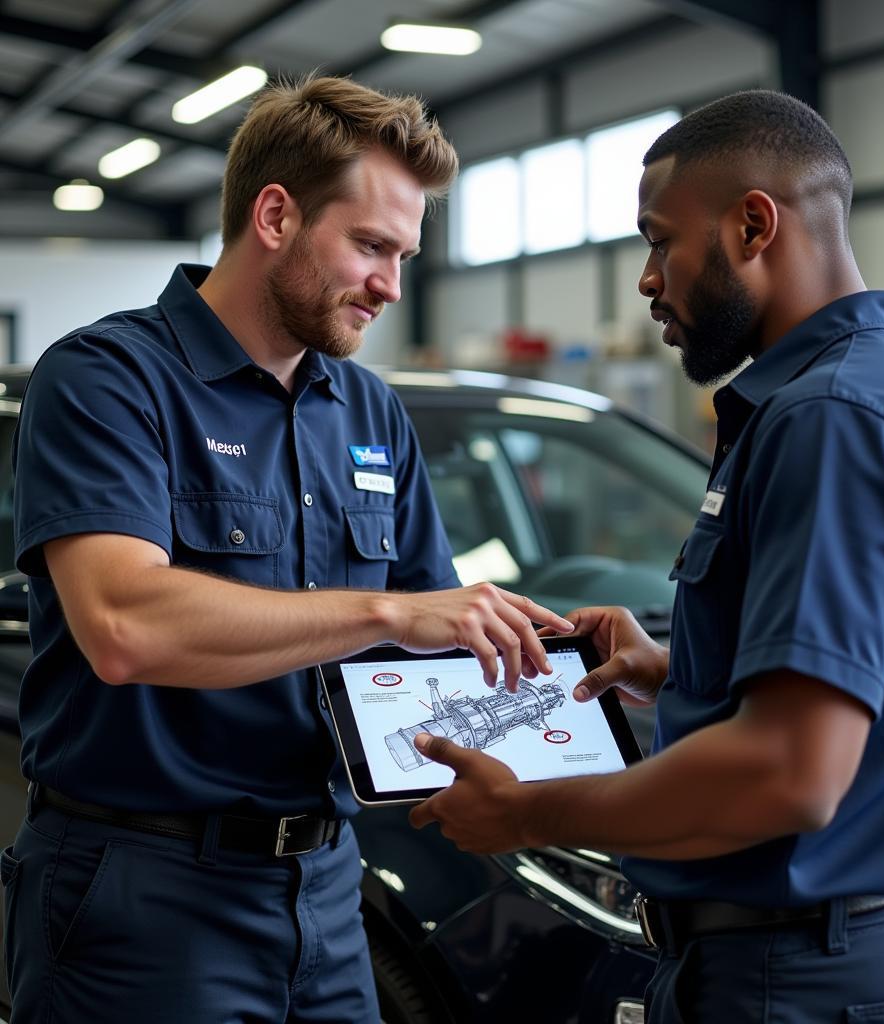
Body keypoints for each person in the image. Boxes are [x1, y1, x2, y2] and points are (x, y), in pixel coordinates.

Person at [408, 90, 884, 1022]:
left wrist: (528, 814)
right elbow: (871, 670)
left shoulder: (830, 420)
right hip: (832, 960)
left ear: (753, 224)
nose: (648, 279)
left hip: (802, 980)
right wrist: (680, 669)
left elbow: (788, 773)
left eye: (658, 240)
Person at [3, 75, 572, 1024]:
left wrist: (573, 693)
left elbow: (429, 650)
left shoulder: (370, 412)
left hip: (326, 890)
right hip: (145, 896)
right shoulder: (107, 381)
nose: (391, 284)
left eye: (404, 253)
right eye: (370, 246)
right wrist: (388, 610)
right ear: (275, 214)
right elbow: (123, 625)